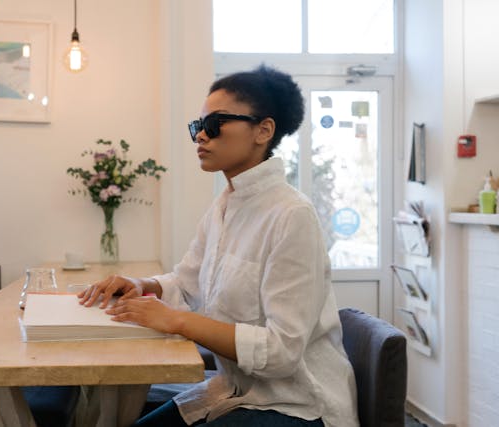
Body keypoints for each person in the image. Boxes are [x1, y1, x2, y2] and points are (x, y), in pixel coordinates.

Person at [78, 65, 359, 427]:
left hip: (297, 404)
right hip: (235, 389)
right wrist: (143, 286)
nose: (201, 137)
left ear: (264, 130)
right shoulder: (224, 205)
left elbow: (282, 351)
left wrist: (178, 320)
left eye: (214, 125)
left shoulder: (292, 216)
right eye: (198, 127)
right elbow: (187, 281)